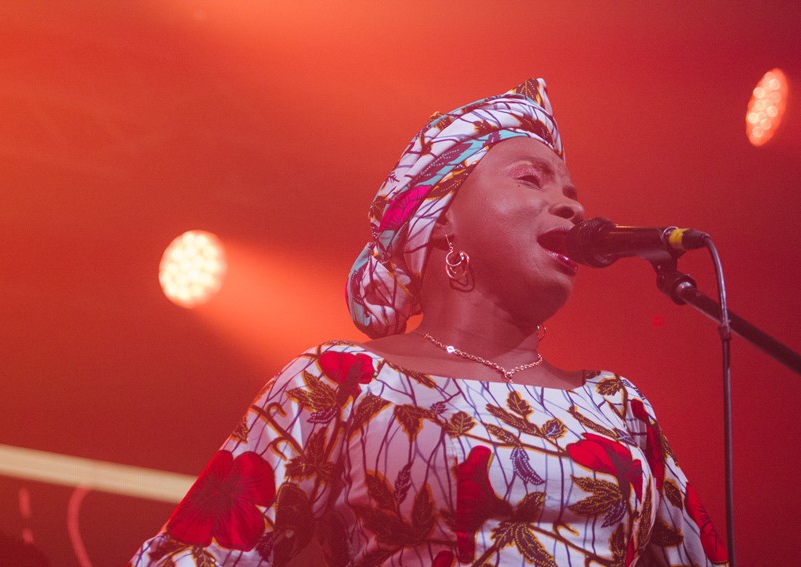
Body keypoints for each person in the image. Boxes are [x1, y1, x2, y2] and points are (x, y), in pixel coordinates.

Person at [131, 79, 728, 566]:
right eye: (530, 178)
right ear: (441, 221)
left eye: (572, 190)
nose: (572, 205)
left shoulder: (619, 408)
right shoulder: (344, 383)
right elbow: (194, 556)